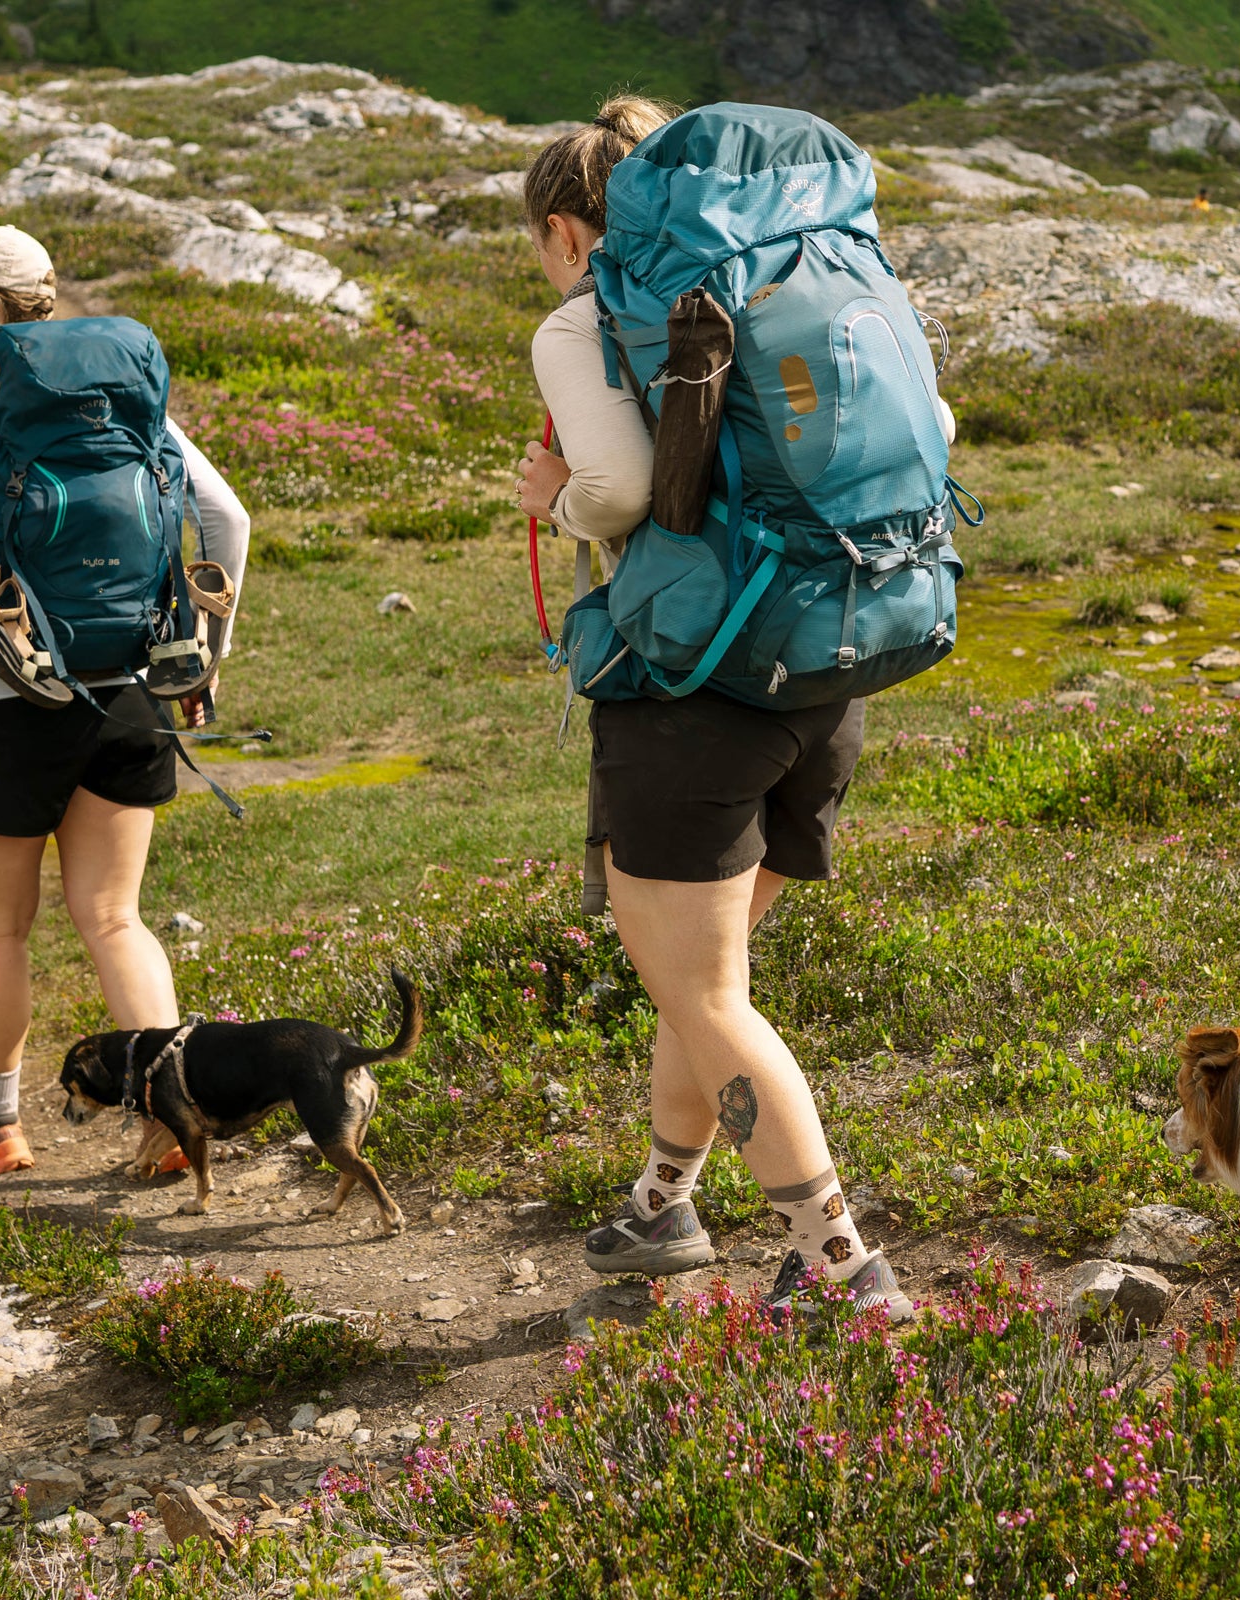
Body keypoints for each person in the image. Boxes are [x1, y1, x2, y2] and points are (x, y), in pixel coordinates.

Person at [510, 96, 914, 1317]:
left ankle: (845, 1269)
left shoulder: (584, 320)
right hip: (827, 669)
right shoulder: (808, 277)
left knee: (704, 993)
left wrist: (556, 501)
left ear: (576, 233)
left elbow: (617, 482)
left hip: (693, 694)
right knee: (700, 975)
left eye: (540, 242)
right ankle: (661, 1203)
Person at [0, 225, 252, 1177]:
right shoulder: (123, 404)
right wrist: (203, 661)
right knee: (115, 918)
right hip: (130, 696)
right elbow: (227, 518)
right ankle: (171, 1115)